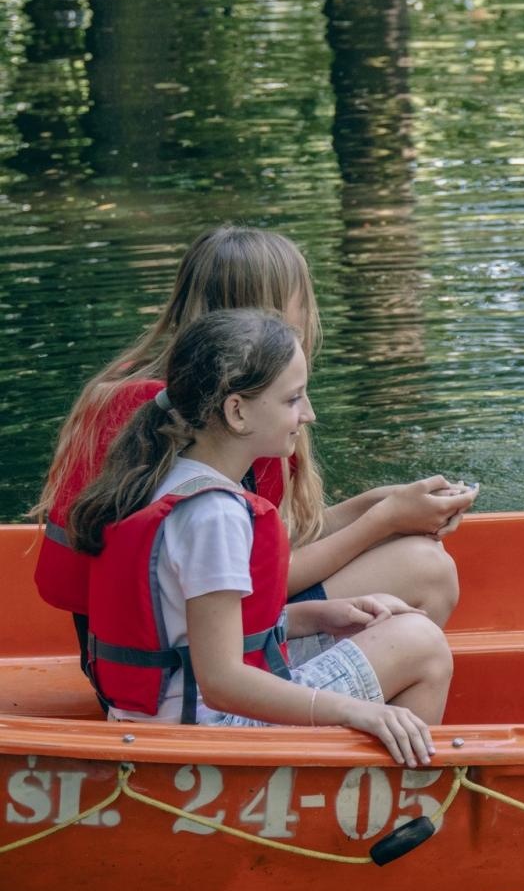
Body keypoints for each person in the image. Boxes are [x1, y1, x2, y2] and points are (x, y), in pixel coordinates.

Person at [31, 226, 476, 677]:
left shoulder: (162, 396)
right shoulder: (217, 424)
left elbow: (261, 548)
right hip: (180, 669)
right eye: (302, 297)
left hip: (125, 654)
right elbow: (256, 576)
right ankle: (309, 705)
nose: (309, 312)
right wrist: (383, 521)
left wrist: (379, 504)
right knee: (427, 569)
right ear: (269, 314)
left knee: (415, 549)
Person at [68, 310, 451, 764]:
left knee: (395, 627)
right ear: (237, 411)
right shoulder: (213, 515)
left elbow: (191, 636)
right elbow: (223, 682)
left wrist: (317, 615)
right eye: (293, 399)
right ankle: (394, 813)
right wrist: (357, 712)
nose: (307, 414)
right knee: (420, 644)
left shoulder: (161, 475)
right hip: (203, 733)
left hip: (157, 716)